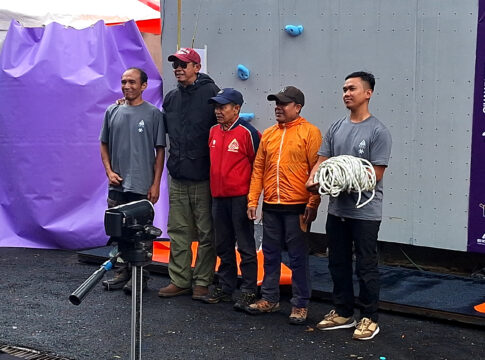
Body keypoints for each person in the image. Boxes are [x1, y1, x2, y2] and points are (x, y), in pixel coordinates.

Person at [306, 71, 392, 340]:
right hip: (337, 210)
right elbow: (322, 161)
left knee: (366, 266)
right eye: (344, 89)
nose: (346, 93)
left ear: (368, 93)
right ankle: (343, 312)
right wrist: (314, 180)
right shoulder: (335, 128)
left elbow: (375, 174)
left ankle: (369, 318)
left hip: (365, 213)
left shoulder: (379, 131)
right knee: (337, 263)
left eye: (352, 88)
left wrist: (346, 179)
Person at [245, 86, 322, 325]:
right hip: (271, 206)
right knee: (269, 255)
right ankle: (270, 298)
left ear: (297, 107)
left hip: (298, 206)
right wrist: (252, 200)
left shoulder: (310, 133)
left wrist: (313, 203)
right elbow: (258, 169)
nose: (278, 107)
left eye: (284, 103)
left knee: (298, 257)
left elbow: (317, 172)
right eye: (276, 103)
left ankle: (300, 304)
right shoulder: (268, 134)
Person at [157, 48, 219, 300]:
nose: (178, 69)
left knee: (206, 233)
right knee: (178, 231)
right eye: (175, 65)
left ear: (197, 66)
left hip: (204, 176)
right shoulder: (171, 98)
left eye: (184, 64)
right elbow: (159, 127)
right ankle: (180, 280)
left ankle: (202, 282)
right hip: (179, 175)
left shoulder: (213, 94)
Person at [99, 67, 166, 294]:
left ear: (144, 86)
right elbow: (103, 144)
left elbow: (160, 151)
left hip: (142, 185)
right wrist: (108, 171)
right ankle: (122, 272)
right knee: (118, 232)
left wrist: (156, 184)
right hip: (117, 185)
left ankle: (140, 277)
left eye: (132, 82)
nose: (127, 86)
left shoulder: (154, 115)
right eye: (124, 82)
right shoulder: (111, 111)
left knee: (141, 233)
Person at [202, 88, 261, 311]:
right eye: (216, 107)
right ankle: (225, 287)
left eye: (223, 106)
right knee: (223, 244)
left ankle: (248, 290)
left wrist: (253, 199)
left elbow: (258, 166)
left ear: (236, 108)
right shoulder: (213, 131)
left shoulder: (248, 133)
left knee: (245, 245)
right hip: (218, 197)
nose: (218, 111)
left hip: (240, 198)